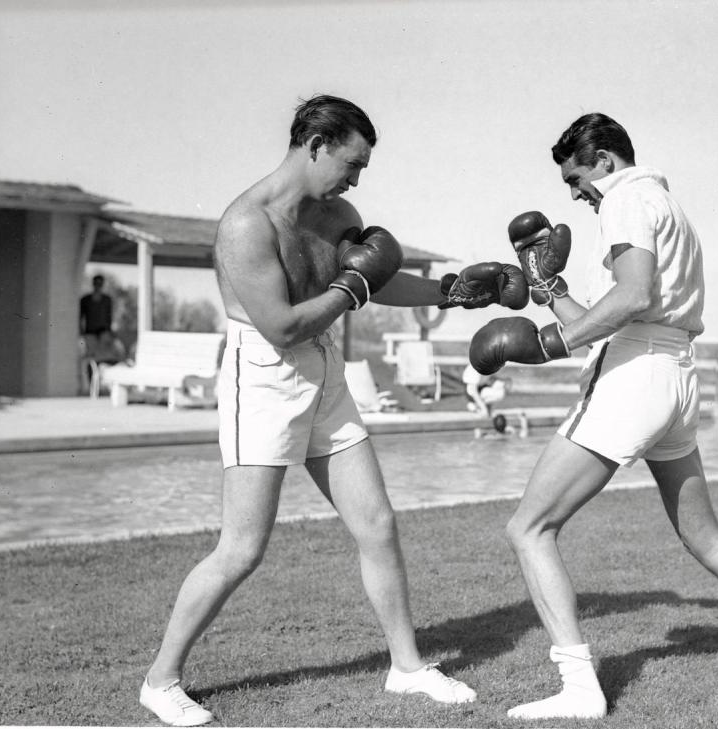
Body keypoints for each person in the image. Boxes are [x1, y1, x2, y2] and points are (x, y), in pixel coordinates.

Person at [139, 95, 527, 726]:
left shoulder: (338, 212)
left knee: (377, 523)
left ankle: (407, 668)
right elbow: (285, 325)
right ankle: (160, 681)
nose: (355, 179)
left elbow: (372, 277)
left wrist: (448, 293)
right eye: (351, 163)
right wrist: (352, 287)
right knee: (242, 548)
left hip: (325, 372)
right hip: (262, 375)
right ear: (315, 145)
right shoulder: (247, 226)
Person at [469, 113, 718, 720]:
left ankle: (581, 690)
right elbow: (631, 312)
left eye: (577, 178)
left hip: (636, 379)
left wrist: (554, 343)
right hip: (675, 376)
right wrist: (549, 287)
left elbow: (631, 297)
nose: (575, 194)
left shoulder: (627, 200)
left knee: (528, 528)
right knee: (705, 536)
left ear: (605, 160)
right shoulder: (667, 204)